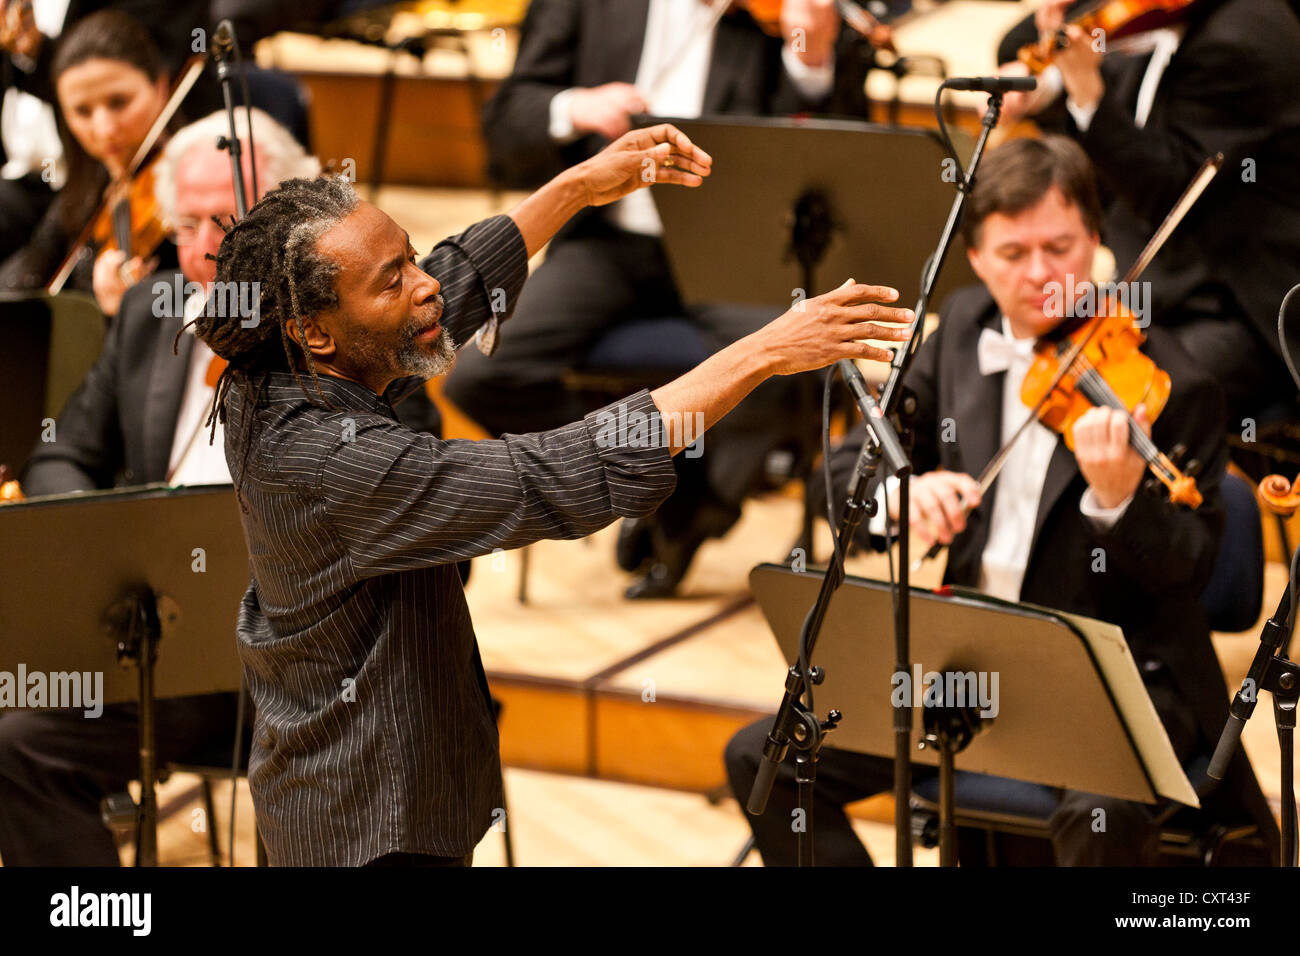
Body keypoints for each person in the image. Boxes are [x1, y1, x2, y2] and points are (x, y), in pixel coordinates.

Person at [192, 122, 914, 866]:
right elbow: (549, 471)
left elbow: (460, 276)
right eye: (393, 279)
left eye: (409, 255)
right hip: (367, 814)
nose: (425, 282)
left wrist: (583, 186)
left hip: (368, 783)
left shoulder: (285, 371)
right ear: (313, 332)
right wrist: (764, 352)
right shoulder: (329, 460)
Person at [725, 135, 1280, 866]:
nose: (1044, 275)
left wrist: (1121, 503)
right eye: (1014, 255)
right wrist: (902, 496)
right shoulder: (960, 330)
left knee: (1105, 813)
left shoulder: (1175, 383)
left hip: (1122, 684)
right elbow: (846, 468)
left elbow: (1194, 570)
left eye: (1061, 247)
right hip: (975, 670)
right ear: (978, 258)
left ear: (1097, 240)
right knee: (764, 755)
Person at [0, 108, 437, 866]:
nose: (206, 247)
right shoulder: (150, 313)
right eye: (187, 223)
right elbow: (62, 450)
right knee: (18, 741)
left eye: (227, 222)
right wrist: (92, 531)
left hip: (307, 683)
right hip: (165, 661)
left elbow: (422, 532)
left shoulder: (365, 345)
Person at [445, 0, 876, 598]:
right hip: (608, 241)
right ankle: (660, 468)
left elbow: (845, 158)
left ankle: (691, 503)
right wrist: (574, 107)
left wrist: (812, 58)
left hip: (733, 249)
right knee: (481, 375)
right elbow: (506, 123)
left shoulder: (783, 15)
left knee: (801, 357)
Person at [993, 0, 1300, 423]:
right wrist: (1050, 73)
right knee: (1013, 358)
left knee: (1115, 404)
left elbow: (1165, 192)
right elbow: (1017, 40)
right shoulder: (1163, 13)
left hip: (1239, 307)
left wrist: (1084, 87)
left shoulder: (1241, 38)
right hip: (1162, 286)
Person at [0, 9, 177, 311]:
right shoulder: (86, 186)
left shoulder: (192, 186)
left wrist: (133, 310)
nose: (104, 129)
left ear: (160, 88)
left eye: (119, 102)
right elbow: (27, 270)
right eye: (82, 111)